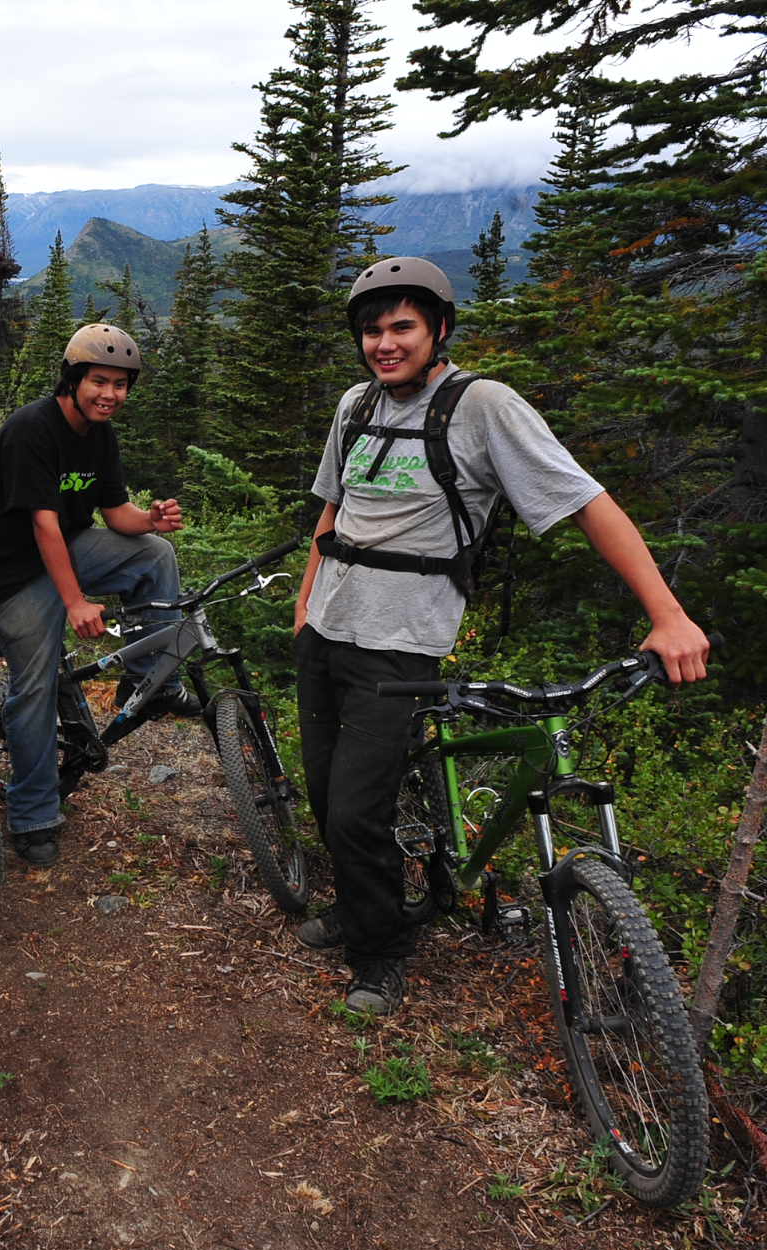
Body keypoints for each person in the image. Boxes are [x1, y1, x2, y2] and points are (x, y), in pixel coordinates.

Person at [292, 256, 711, 1016]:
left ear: (438, 329)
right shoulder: (356, 403)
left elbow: (585, 502)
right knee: (326, 796)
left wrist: (667, 612)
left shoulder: (483, 406)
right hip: (325, 628)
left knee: (356, 811)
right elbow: (332, 512)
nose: (384, 344)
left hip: (399, 644)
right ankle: (364, 906)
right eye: (371, 331)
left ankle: (380, 952)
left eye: (401, 328)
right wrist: (303, 605)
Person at [0, 324, 191, 868]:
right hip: (9, 573)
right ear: (72, 379)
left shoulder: (99, 434)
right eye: (99, 382)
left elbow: (117, 515)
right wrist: (75, 603)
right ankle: (33, 812)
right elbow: (42, 525)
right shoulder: (32, 430)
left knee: (154, 553)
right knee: (34, 687)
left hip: (64, 548)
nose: (110, 394)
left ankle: (154, 682)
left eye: (120, 384)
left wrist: (151, 519)